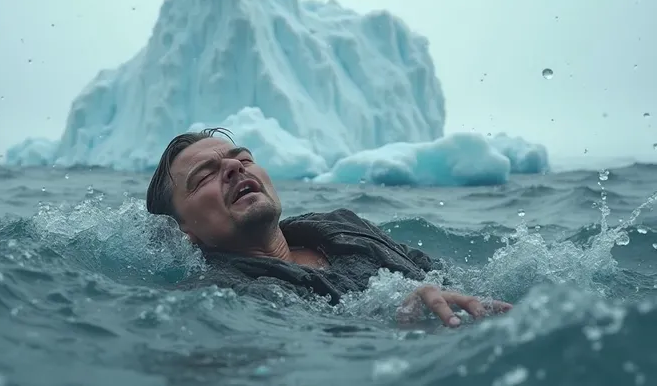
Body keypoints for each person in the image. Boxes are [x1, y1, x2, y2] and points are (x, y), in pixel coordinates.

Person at [146, 128, 512, 328]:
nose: (235, 168)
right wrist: (396, 319)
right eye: (205, 174)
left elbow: (451, 279)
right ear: (181, 231)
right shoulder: (218, 297)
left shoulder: (344, 226)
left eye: (243, 159)